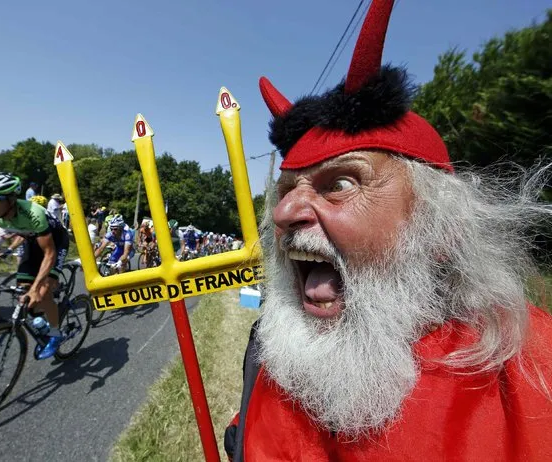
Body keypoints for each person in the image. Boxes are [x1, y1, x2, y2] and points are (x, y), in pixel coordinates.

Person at [224, 1, 552, 460]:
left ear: (440, 227)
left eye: (339, 184)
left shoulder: (536, 372)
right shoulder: (270, 349)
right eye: (285, 190)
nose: (284, 212)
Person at [0, 172, 69, 360]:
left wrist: (38, 288)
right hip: (31, 240)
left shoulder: (33, 213)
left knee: (43, 292)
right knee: (24, 292)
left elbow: (50, 253)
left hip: (56, 242)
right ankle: (45, 316)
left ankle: (55, 334)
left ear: (12, 199)